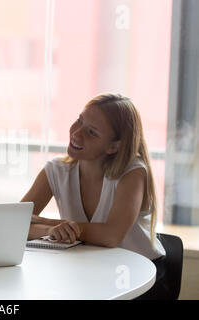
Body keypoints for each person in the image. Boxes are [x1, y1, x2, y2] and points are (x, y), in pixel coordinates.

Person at [22, 93, 168, 299]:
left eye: (91, 132)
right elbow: (16, 224)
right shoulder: (55, 170)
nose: (77, 133)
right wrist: (51, 229)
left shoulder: (133, 173)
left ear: (113, 146)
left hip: (138, 275)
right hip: (91, 270)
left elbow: (110, 236)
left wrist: (50, 222)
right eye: (79, 121)